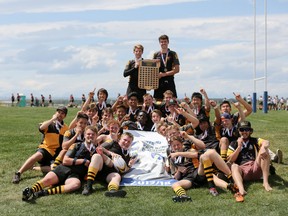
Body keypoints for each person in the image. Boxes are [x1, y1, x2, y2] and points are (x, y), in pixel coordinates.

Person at [21, 126, 97, 201]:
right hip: (63, 169)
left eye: (93, 134)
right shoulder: (76, 145)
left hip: (75, 175)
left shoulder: (96, 150)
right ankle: (31, 191)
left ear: (96, 136)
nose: (90, 136)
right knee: (46, 181)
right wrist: (83, 161)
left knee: (76, 185)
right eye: (88, 134)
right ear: (84, 135)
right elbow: (65, 161)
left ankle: (44, 192)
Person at [12, 106, 69, 184]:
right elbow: (41, 127)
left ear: (65, 116)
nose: (60, 114)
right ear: (55, 113)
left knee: (54, 168)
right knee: (37, 155)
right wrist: (52, 119)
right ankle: (18, 173)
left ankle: (35, 168)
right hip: (45, 149)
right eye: (58, 112)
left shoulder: (65, 128)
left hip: (55, 154)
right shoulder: (49, 123)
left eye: (62, 113)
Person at [227, 121, 272, 202]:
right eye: (242, 129)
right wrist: (239, 147)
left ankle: (265, 182)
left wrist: (262, 148)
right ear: (238, 131)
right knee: (234, 166)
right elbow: (230, 160)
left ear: (250, 131)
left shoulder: (254, 140)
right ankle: (241, 189)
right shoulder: (233, 143)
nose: (244, 132)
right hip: (243, 170)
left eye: (247, 129)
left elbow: (266, 142)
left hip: (255, 166)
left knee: (265, 152)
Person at [81, 132, 137, 197]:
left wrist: (129, 165)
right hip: (100, 166)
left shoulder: (128, 156)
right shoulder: (112, 142)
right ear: (119, 139)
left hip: (110, 173)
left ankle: (112, 191)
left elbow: (123, 170)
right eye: (125, 140)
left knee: (117, 176)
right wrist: (110, 153)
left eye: (129, 142)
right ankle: (88, 186)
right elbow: (99, 147)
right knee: (97, 156)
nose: (126, 142)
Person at [153, 34, 180, 100]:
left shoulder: (173, 54)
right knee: (158, 102)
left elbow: (177, 70)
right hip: (159, 82)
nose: (163, 43)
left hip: (169, 81)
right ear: (159, 43)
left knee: (172, 102)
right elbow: (152, 69)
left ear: (168, 42)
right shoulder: (156, 54)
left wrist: (164, 74)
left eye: (165, 41)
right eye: (162, 42)